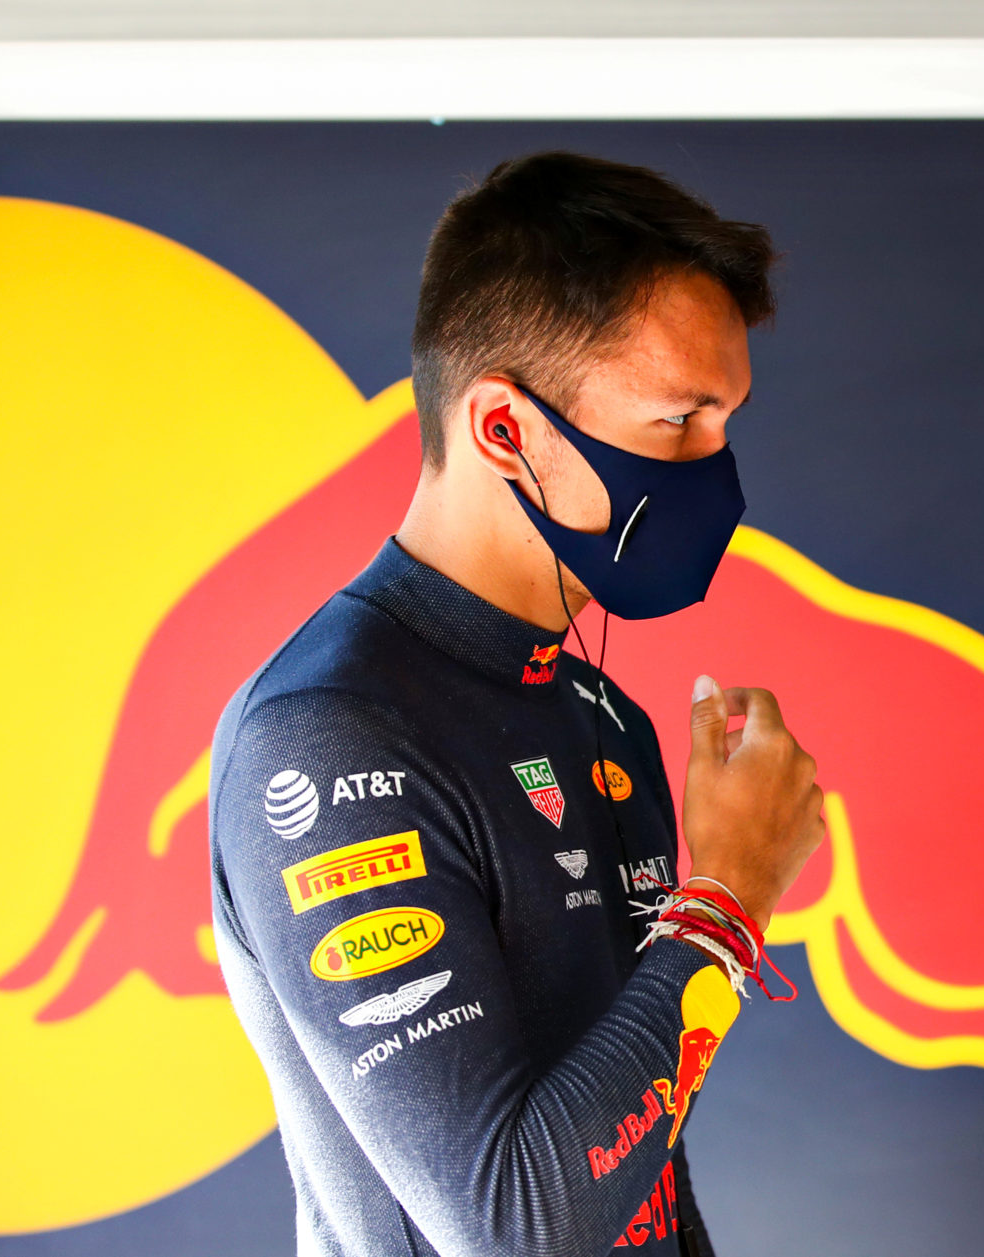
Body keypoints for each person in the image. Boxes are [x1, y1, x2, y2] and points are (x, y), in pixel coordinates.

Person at [207, 152, 826, 1256]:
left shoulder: (605, 716)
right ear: (504, 429)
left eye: (727, 421)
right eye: (679, 421)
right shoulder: (326, 734)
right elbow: (514, 1225)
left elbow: (639, 1171)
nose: (717, 470)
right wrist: (728, 898)